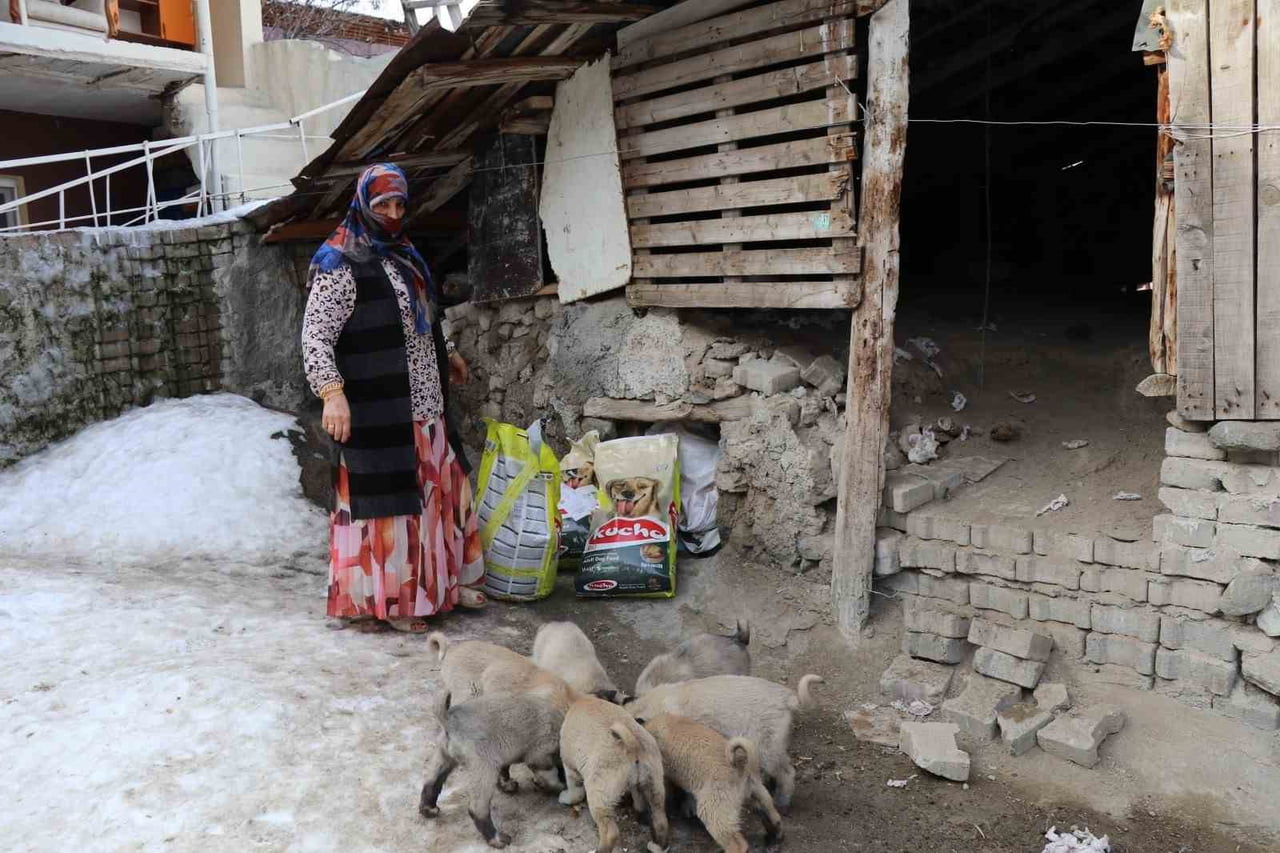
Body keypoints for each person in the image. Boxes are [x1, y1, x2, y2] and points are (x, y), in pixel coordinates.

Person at [301, 163, 485, 632]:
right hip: (379, 408)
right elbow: (315, 338)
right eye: (383, 203)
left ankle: (438, 585)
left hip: (425, 404)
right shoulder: (339, 261)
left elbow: (420, 319)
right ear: (363, 202)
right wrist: (332, 394)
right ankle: (396, 600)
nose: (393, 212)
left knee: (434, 498)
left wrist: (448, 354)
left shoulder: (403, 254)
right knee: (392, 505)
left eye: (399, 203)